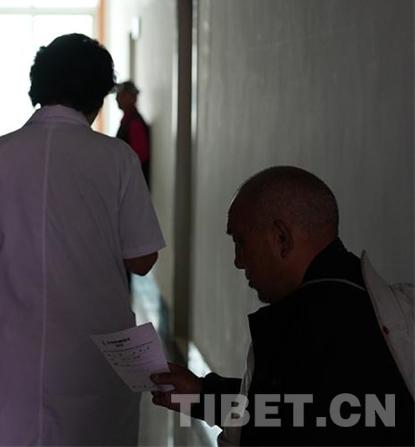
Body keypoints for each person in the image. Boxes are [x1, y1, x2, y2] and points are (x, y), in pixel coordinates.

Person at [0, 33, 166, 446]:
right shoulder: (117, 158)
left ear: (39, 85)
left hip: (15, 354)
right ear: (98, 96)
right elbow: (142, 260)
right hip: (95, 356)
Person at [150, 166, 415, 446]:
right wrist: (202, 395)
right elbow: (291, 410)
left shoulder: (299, 333)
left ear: (281, 239)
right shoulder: (382, 304)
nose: (238, 261)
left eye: (241, 242)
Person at [115, 80, 150, 186]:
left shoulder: (134, 123)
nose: (117, 98)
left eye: (122, 95)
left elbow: (140, 157)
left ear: (132, 98)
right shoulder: (128, 120)